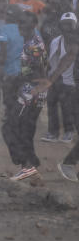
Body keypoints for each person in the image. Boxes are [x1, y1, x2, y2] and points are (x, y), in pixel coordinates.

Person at [3, 10, 47, 181]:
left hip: (32, 95)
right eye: (20, 22)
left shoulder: (34, 46)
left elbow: (40, 72)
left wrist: (17, 80)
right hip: (28, 93)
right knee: (24, 130)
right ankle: (31, 164)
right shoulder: (29, 42)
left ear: (34, 25)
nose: (21, 25)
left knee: (10, 128)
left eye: (25, 22)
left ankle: (26, 165)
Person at [41, 12, 78, 143]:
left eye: (70, 25)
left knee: (67, 106)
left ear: (75, 26)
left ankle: (69, 132)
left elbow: (68, 61)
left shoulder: (76, 42)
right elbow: (52, 59)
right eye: (65, 25)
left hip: (71, 81)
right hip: (56, 78)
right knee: (51, 103)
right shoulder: (56, 41)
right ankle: (53, 132)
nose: (67, 28)